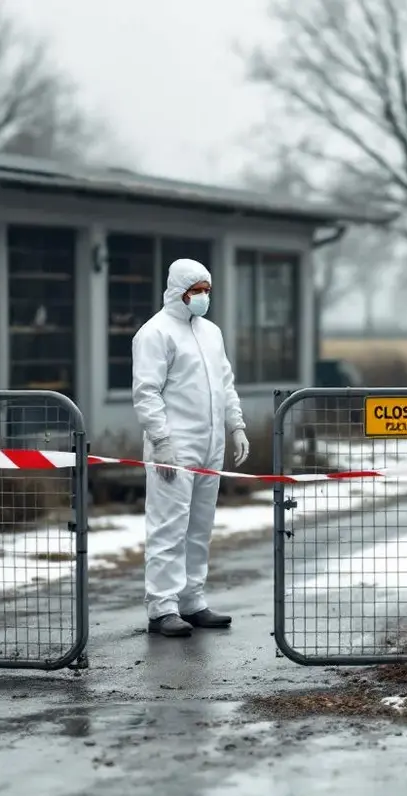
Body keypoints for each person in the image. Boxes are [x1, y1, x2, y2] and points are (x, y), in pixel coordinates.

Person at [130, 257, 250, 638]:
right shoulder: (155, 333)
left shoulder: (211, 333)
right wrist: (161, 440)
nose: (202, 297)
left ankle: (191, 600)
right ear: (177, 291)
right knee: (168, 525)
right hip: (175, 446)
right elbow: (146, 392)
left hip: (210, 443)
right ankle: (162, 607)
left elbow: (225, 383)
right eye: (196, 291)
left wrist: (237, 426)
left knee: (200, 525)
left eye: (207, 291)